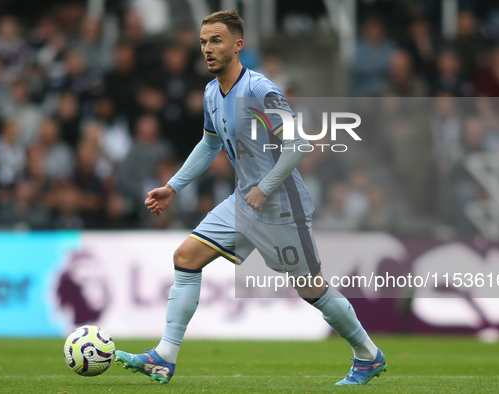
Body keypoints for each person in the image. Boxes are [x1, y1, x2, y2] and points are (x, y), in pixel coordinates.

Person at [115, 10, 386, 386]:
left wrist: (265, 187)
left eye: (216, 41)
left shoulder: (260, 90)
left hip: (281, 207)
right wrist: (173, 186)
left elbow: (298, 144)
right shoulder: (212, 92)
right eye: (203, 42)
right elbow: (209, 146)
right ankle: (164, 356)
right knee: (186, 257)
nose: (208, 49)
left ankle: (368, 355)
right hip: (244, 204)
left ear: (238, 45)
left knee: (312, 289)